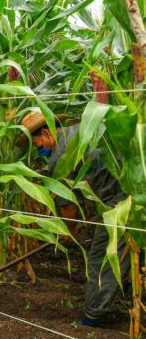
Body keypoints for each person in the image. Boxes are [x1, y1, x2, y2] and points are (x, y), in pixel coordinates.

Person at [19, 111, 130, 328]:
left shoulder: (60, 156)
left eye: (37, 143)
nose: (38, 149)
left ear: (45, 132)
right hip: (130, 188)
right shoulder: (80, 129)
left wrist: (67, 232)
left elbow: (68, 206)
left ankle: (92, 316)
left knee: (102, 259)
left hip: (121, 204)